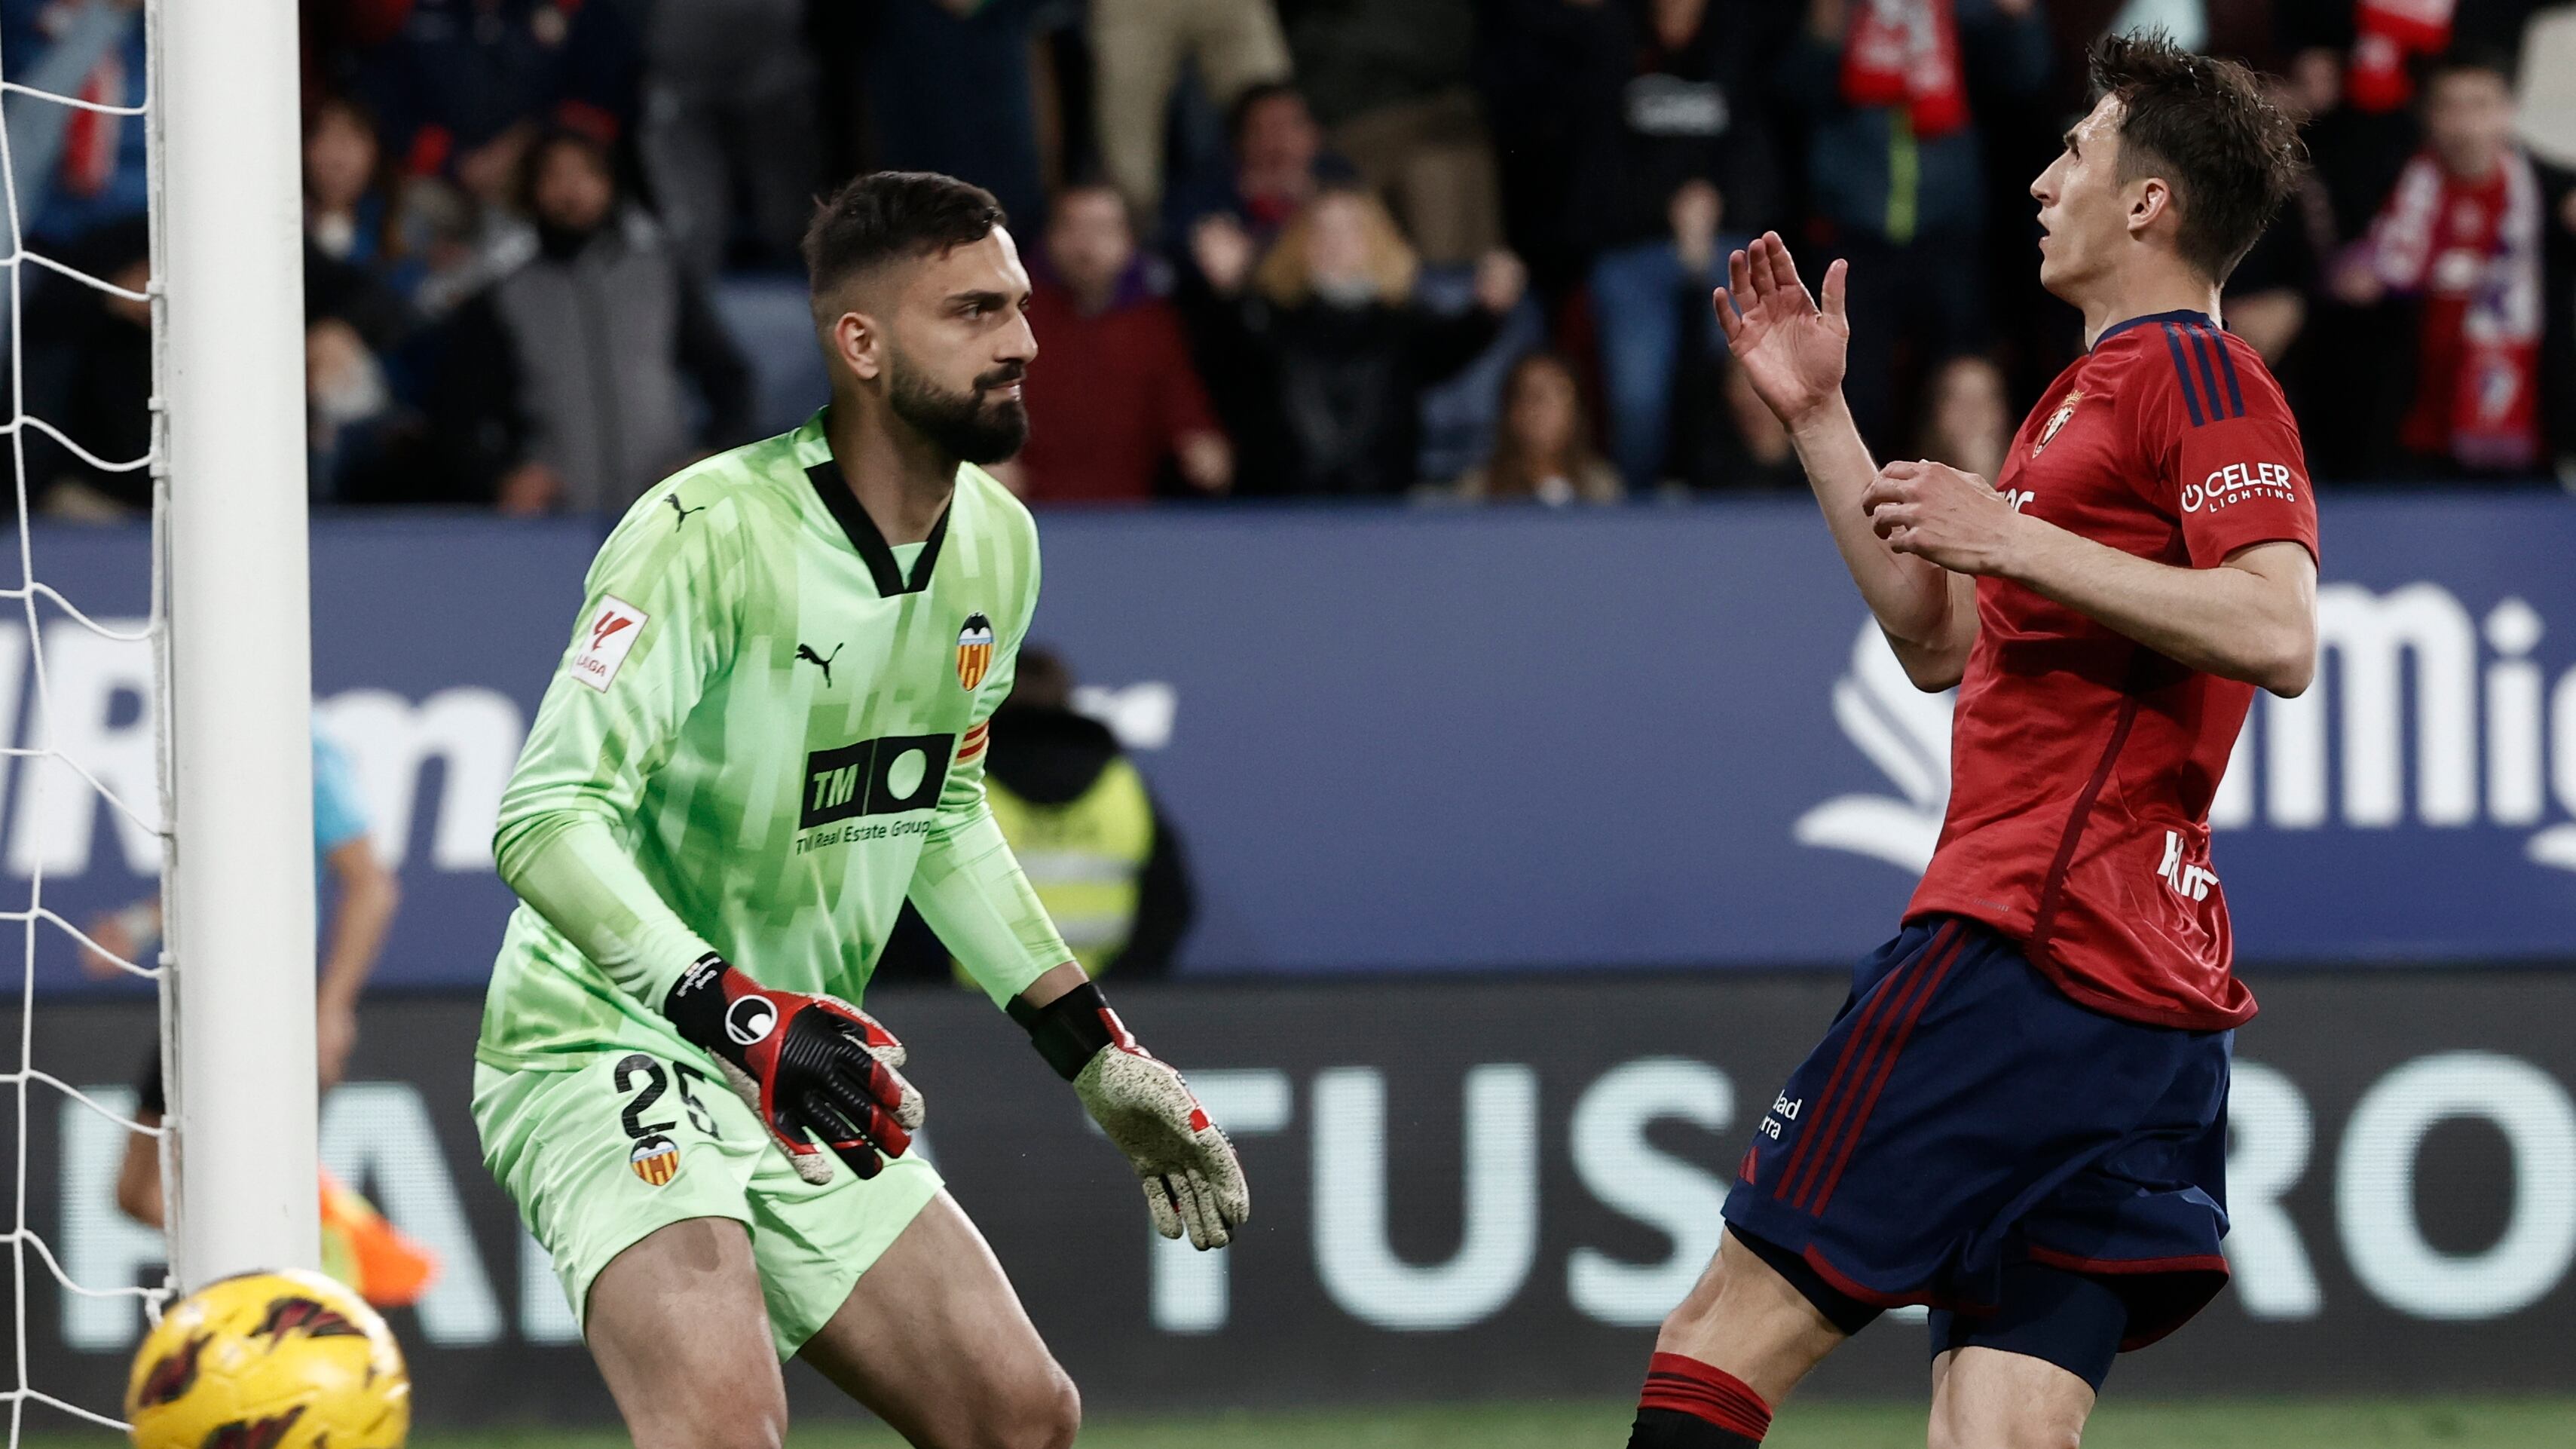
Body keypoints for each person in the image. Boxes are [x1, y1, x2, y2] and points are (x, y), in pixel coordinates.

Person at [470, 170, 1248, 1449]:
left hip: (802, 1063)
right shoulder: (706, 533)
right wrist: (735, 1011)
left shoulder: (1000, 543)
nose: (1022, 340)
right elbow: (543, 817)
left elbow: (937, 806)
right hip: (608, 1037)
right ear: (862, 344)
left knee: (1019, 1418)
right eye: (974, 311)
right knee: (722, 1432)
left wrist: (1093, 1049)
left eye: (1019, 305)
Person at [1632, 35, 2315, 1449]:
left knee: (1718, 1334)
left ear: (2148, 203)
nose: (2041, 179)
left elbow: (2275, 627)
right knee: (1997, 1430)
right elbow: (1939, 641)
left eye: (2075, 150)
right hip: (2140, 996)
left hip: (2028, 947)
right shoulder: (2081, 396)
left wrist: (2011, 536)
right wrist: (1818, 416)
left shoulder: (2199, 377)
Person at [86, 731, 427, 1307]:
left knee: (237, 1204)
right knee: (139, 1195)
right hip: (196, 992)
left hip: (269, 1003)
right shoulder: (198, 724)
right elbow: (213, 871)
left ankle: (318, 1270)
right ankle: (317, 1260)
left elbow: (371, 884)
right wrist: (136, 929)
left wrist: (330, 1010)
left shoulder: (300, 740)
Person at [441, 126, 754, 514]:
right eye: (554, 175)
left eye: (586, 172)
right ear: (531, 189)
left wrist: (711, 456)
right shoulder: (505, 296)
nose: (571, 189)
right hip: (553, 522)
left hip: (661, 514)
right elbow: (461, 412)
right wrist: (502, 476)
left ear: (610, 182)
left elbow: (729, 379)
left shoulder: (662, 276)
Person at [1182, 187, 1526, 495]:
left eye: (1350, 229)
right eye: (1322, 229)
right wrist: (1227, 293)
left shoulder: (1404, 323)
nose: (1335, 242)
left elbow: (1451, 347)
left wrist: (1488, 310)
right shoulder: (1269, 318)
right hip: (1285, 512)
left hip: (1381, 512)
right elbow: (1228, 365)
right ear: (1300, 242)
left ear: (1376, 241)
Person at [2336, 51, 2547, 475]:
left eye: (2480, 105)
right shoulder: (2384, 188)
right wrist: (2348, 276)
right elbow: (2336, 273)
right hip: (2408, 434)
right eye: (2449, 107)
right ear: (2426, 115)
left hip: (2521, 436)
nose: (2466, 125)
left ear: (2509, 111)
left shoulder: (2550, 193)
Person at [1010, 182, 1231, 503]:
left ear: (1129, 241)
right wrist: (985, 462)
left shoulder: (1153, 324)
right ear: (1050, 238)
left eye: (1102, 230)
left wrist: (1203, 446)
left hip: (1127, 517)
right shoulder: (1014, 318)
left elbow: (1184, 410)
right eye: (1072, 228)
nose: (1086, 246)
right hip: (1030, 510)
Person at [1452, 351, 1623, 504]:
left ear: (1576, 412)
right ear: (1509, 411)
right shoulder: (1477, 489)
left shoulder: (1601, 487)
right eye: (1527, 394)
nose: (1538, 409)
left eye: (1553, 394)